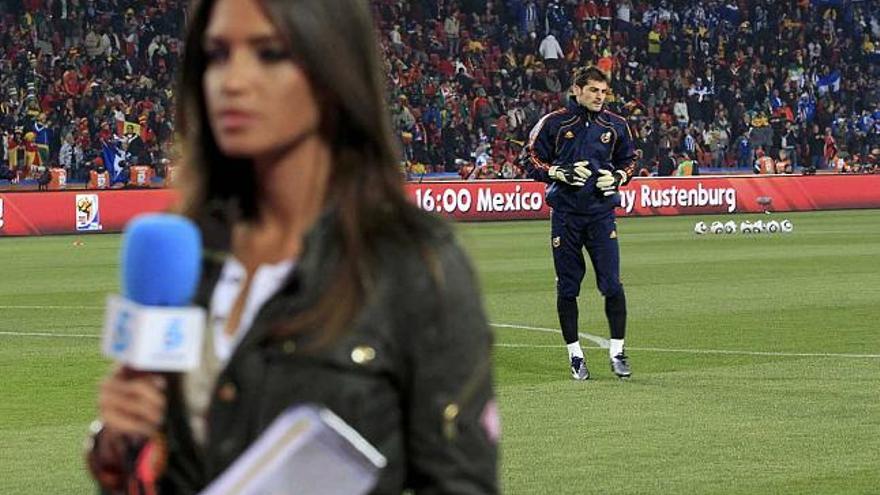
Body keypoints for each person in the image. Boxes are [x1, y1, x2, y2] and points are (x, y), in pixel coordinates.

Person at [85, 1, 499, 493]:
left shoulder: (415, 261)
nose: (231, 81)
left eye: (270, 53)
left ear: (333, 75)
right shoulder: (187, 250)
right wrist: (120, 449)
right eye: (217, 55)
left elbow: (461, 483)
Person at [523, 66, 636, 380]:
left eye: (604, 92)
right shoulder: (555, 123)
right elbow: (530, 158)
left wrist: (617, 177)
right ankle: (575, 355)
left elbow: (631, 160)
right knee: (568, 288)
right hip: (566, 216)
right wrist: (557, 173)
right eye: (594, 91)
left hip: (601, 215)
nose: (600, 97)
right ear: (576, 90)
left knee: (612, 284)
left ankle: (618, 351)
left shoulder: (616, 125)